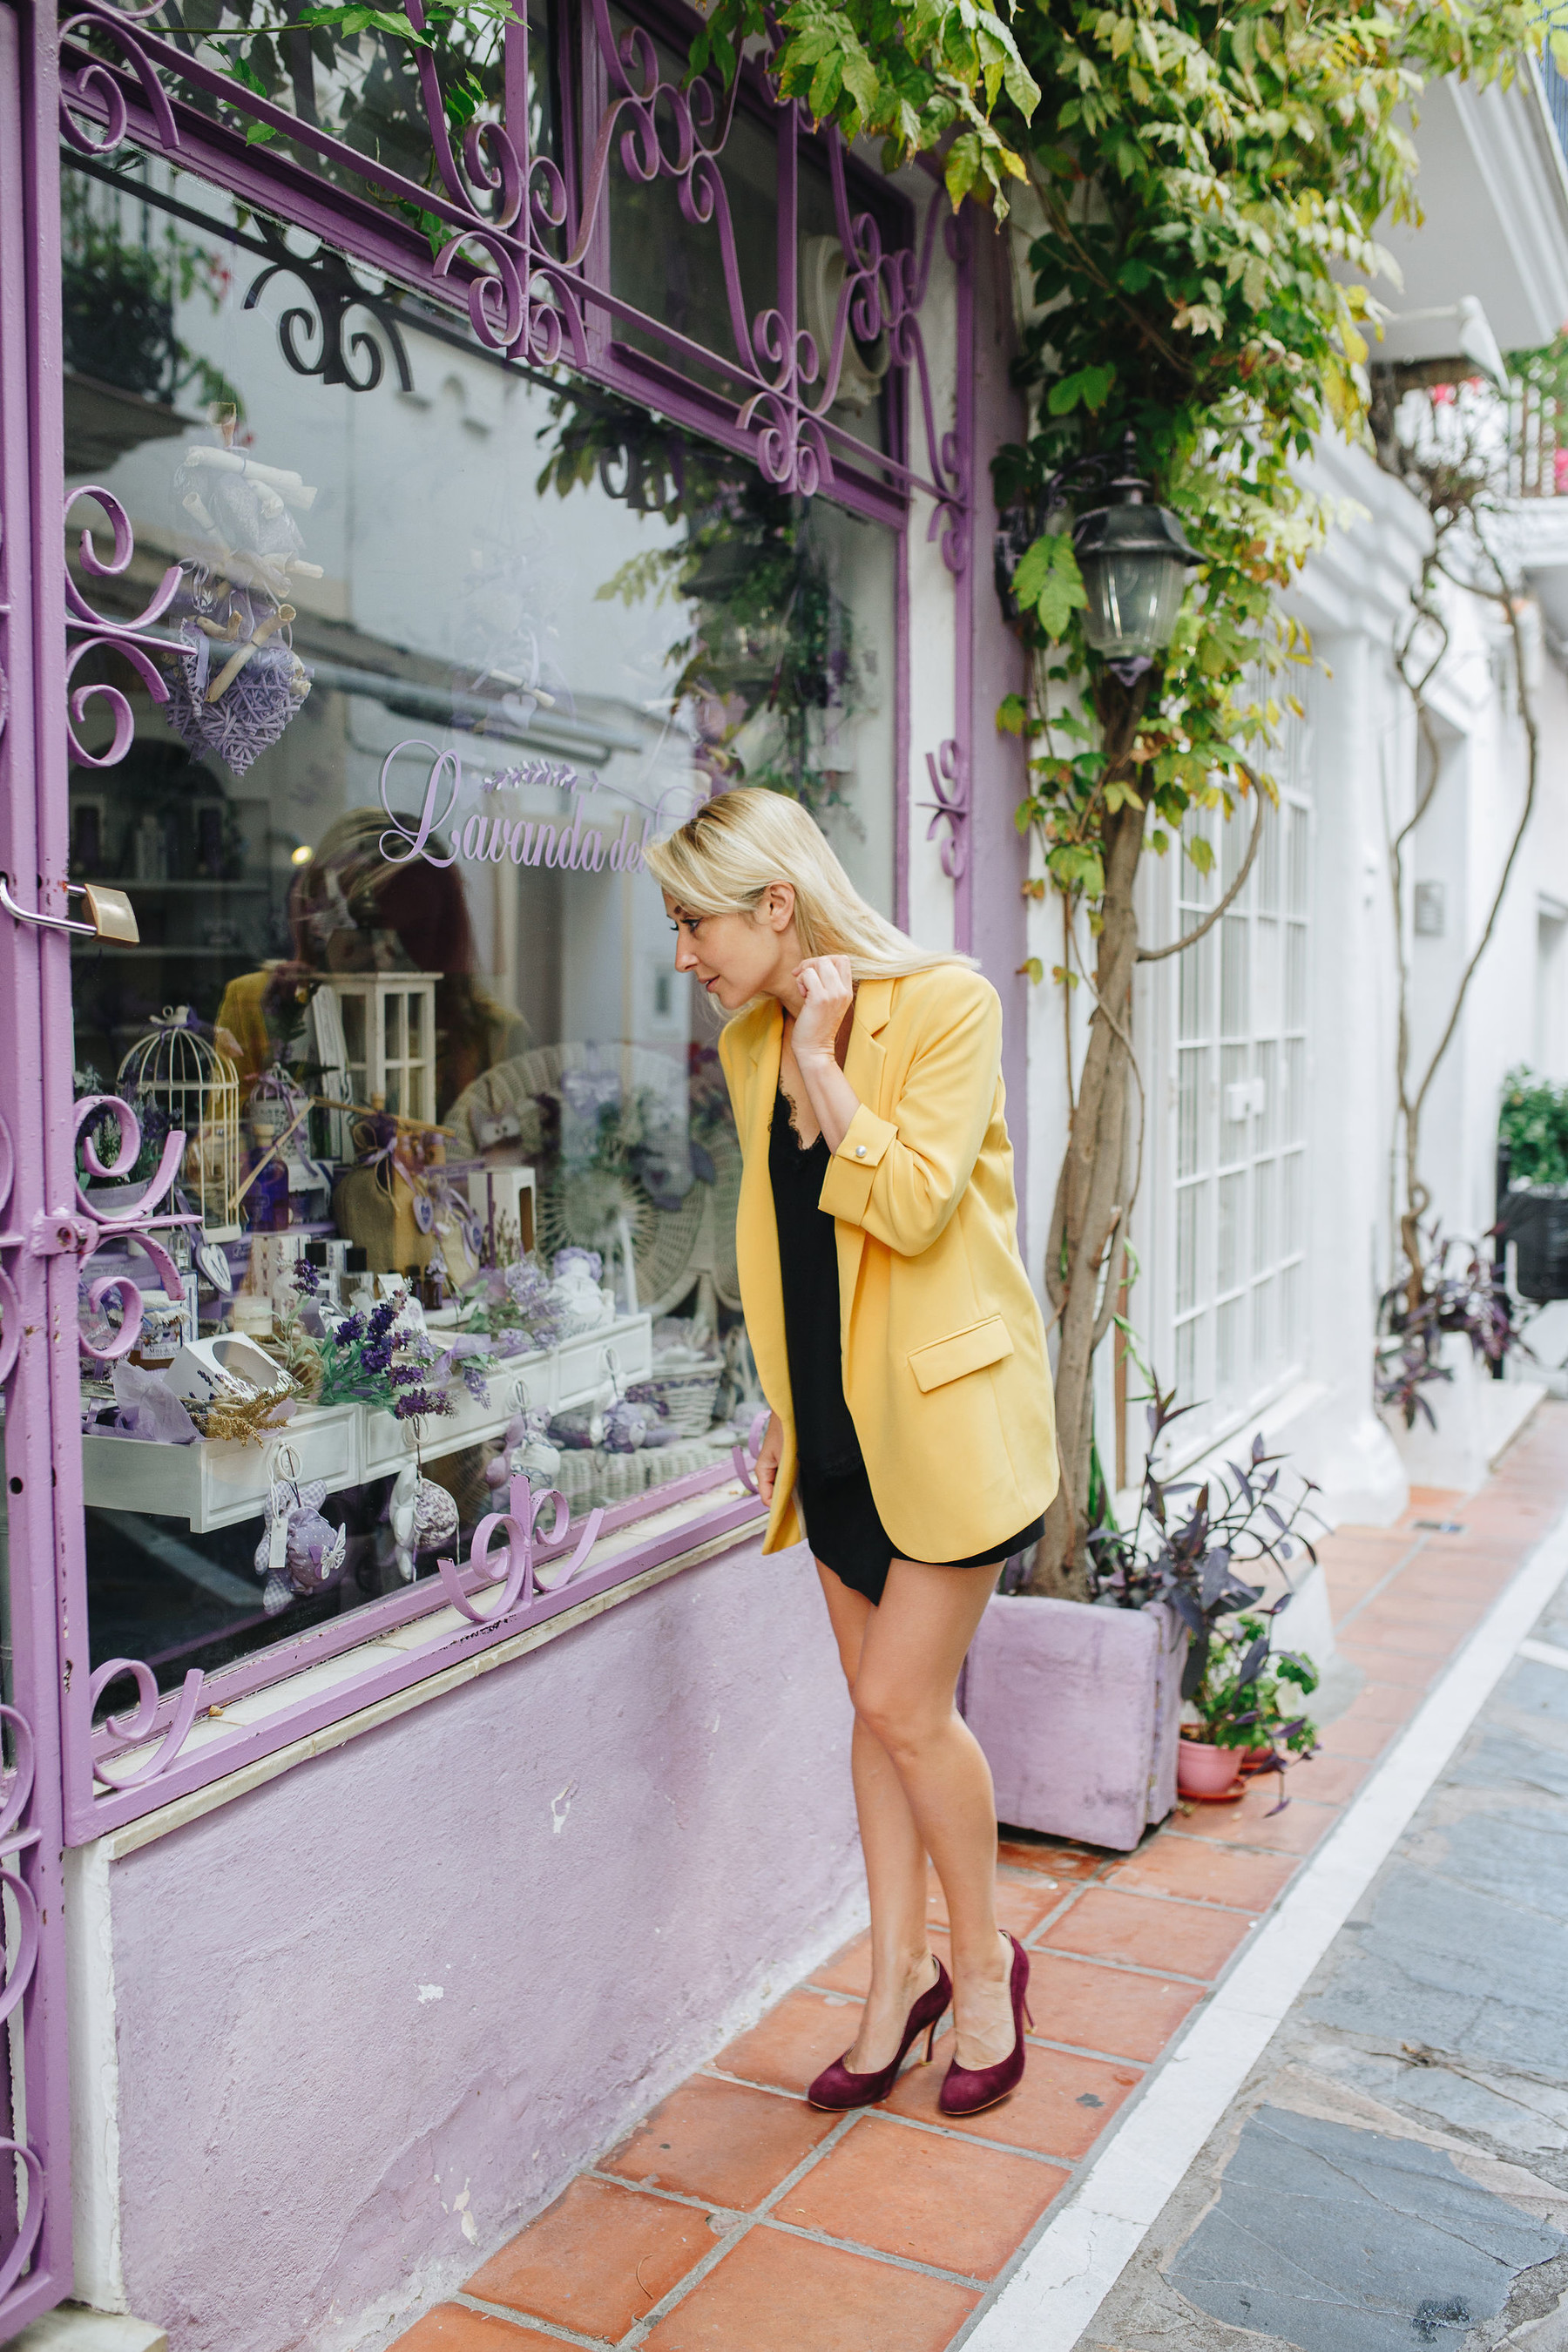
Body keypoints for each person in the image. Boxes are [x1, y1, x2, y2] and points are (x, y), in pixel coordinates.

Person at [645, 787, 1058, 2119]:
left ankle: (986, 1970)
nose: (684, 955)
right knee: (876, 1722)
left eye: (693, 922)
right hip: (827, 1422)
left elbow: (913, 1206)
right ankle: (893, 1985)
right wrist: (780, 1395)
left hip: (943, 1419)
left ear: (777, 903)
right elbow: (781, 1241)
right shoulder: (745, 1038)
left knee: (902, 1708)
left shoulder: (947, 1002)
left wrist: (827, 1059)